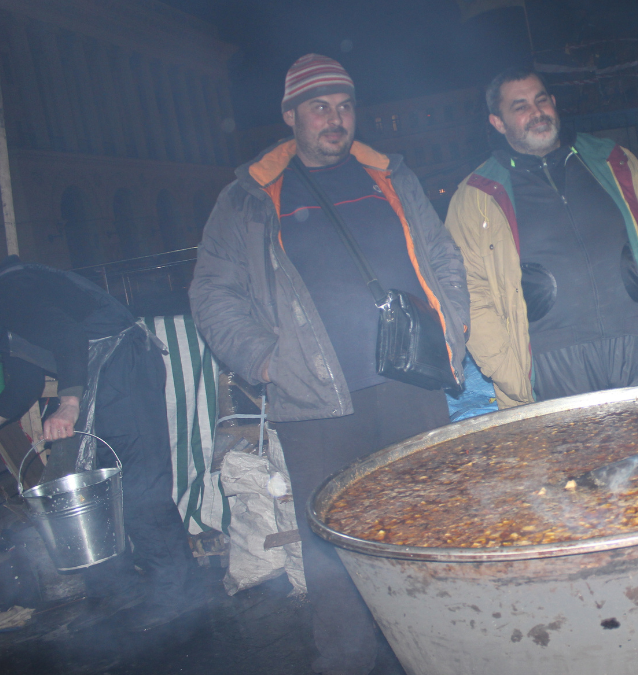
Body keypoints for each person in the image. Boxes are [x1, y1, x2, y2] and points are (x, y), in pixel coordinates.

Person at [189, 54, 468, 675]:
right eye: (320, 108)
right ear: (290, 117)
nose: (335, 119)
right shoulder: (249, 198)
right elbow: (212, 293)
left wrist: (451, 334)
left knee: (427, 524)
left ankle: (444, 650)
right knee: (331, 546)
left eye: (344, 106)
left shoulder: (392, 177)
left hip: (411, 387)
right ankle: (345, 662)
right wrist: (265, 361)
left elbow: (444, 258)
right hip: (314, 403)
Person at [444, 68, 638, 409]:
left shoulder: (613, 162)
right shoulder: (476, 196)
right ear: (498, 123)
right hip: (550, 365)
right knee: (579, 464)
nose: (536, 112)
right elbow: (469, 292)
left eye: (541, 99)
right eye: (520, 106)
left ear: (554, 103)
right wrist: (507, 369)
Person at [0, 256, 199, 632]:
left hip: (123, 370)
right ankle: (117, 590)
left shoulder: (12, 289)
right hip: (98, 375)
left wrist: (68, 403)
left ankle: (179, 594)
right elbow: (25, 379)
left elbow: (68, 335)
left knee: (139, 488)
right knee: (94, 491)